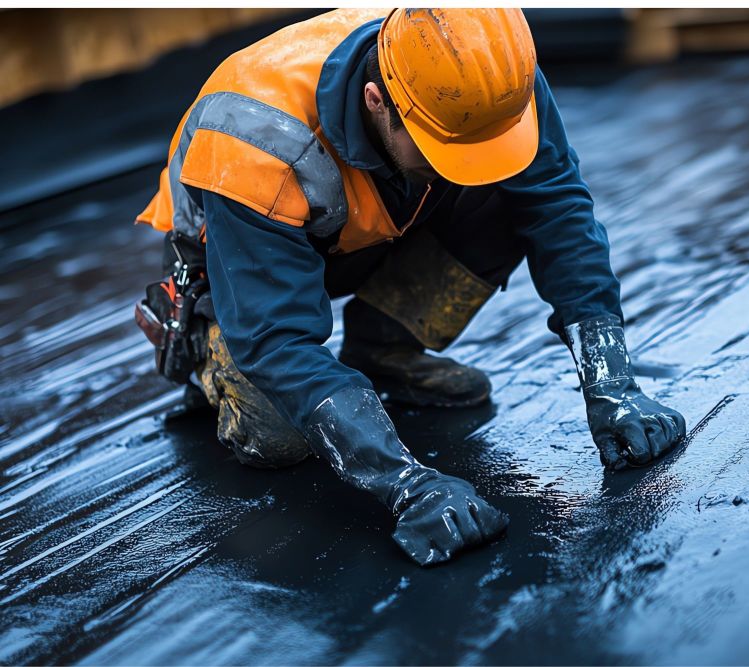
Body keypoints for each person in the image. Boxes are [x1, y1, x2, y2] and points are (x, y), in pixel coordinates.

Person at [134, 8, 687, 566]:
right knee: (280, 437)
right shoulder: (255, 138)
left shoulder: (486, 78)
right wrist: (408, 486)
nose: (466, 170)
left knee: (512, 199)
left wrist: (612, 382)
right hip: (245, 261)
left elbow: (558, 206)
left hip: (375, 217)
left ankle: (382, 347)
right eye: (444, 150)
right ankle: (208, 348)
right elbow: (277, 339)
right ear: (376, 100)